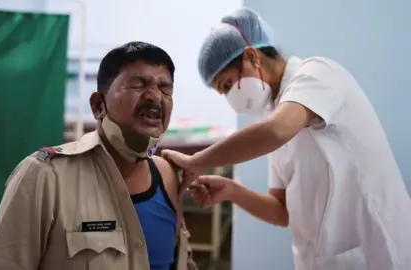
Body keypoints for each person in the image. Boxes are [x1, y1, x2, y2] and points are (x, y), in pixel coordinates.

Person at [163, 8, 411, 270]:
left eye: (226, 85)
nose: (229, 98)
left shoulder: (316, 74)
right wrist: (231, 191)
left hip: (374, 253)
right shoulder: (275, 112)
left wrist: (197, 162)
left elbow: (276, 132)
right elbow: (283, 212)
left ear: (251, 57)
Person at [0, 41, 197, 270]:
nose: (155, 97)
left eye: (165, 88)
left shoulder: (167, 175)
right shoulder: (45, 177)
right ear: (98, 106)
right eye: (138, 85)